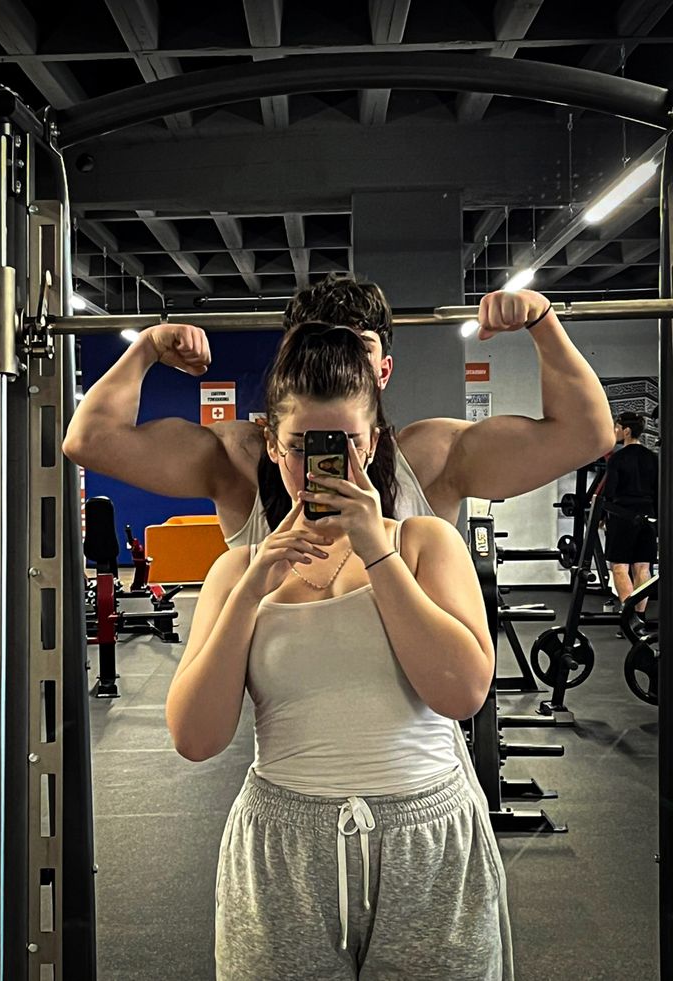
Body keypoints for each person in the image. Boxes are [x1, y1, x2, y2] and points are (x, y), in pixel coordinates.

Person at [165, 323, 513, 980]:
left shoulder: (424, 544)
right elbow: (196, 737)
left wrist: (376, 550)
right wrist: (252, 591)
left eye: (349, 443)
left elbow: (461, 692)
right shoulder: (236, 571)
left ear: (374, 441)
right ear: (271, 443)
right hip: (282, 848)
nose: (325, 464)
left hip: (427, 839)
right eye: (302, 446)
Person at [62, 277, 616, 537]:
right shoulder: (240, 458)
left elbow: (588, 436)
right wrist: (145, 349)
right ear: (286, 363)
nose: (336, 359)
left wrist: (544, 322)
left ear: (385, 370)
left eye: (357, 347)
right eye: (316, 344)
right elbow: (90, 442)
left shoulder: (430, 456)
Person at [602, 411, 658, 618]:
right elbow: (658, 492)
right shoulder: (653, 458)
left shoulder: (617, 459)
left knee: (619, 567)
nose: (615, 431)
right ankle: (640, 618)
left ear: (626, 431)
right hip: (647, 515)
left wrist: (602, 517)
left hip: (622, 515)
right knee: (643, 567)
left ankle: (628, 618)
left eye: (617, 428)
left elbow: (611, 491)